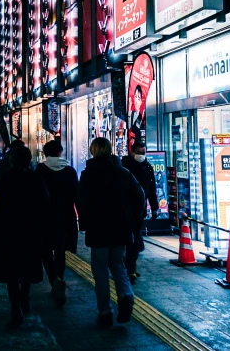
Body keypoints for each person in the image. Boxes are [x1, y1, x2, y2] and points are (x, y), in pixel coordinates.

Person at [0, 146, 49, 329]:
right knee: (27, 267)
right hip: (30, 230)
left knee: (12, 272)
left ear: (12, 160)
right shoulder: (34, 177)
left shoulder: (7, 177)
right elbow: (45, 202)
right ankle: (25, 300)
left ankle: (16, 308)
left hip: (9, 231)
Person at [78, 137, 144, 327]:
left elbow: (81, 202)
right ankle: (126, 295)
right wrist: (131, 220)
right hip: (120, 228)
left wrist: (84, 224)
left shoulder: (88, 175)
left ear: (93, 151)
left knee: (99, 271)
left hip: (98, 230)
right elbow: (139, 196)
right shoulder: (123, 172)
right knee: (118, 265)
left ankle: (105, 311)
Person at [35, 139, 78, 307]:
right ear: (60, 152)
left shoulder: (39, 170)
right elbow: (76, 196)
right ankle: (59, 277)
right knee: (60, 251)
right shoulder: (70, 171)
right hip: (65, 217)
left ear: (45, 154)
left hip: (44, 217)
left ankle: (54, 281)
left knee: (45, 252)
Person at [121, 141, 158, 282]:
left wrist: (154, 208)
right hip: (124, 209)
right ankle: (126, 268)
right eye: (139, 153)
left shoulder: (147, 167)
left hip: (139, 211)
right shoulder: (123, 166)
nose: (142, 155)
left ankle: (131, 268)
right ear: (132, 152)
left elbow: (152, 189)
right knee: (126, 240)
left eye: (143, 152)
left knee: (135, 239)